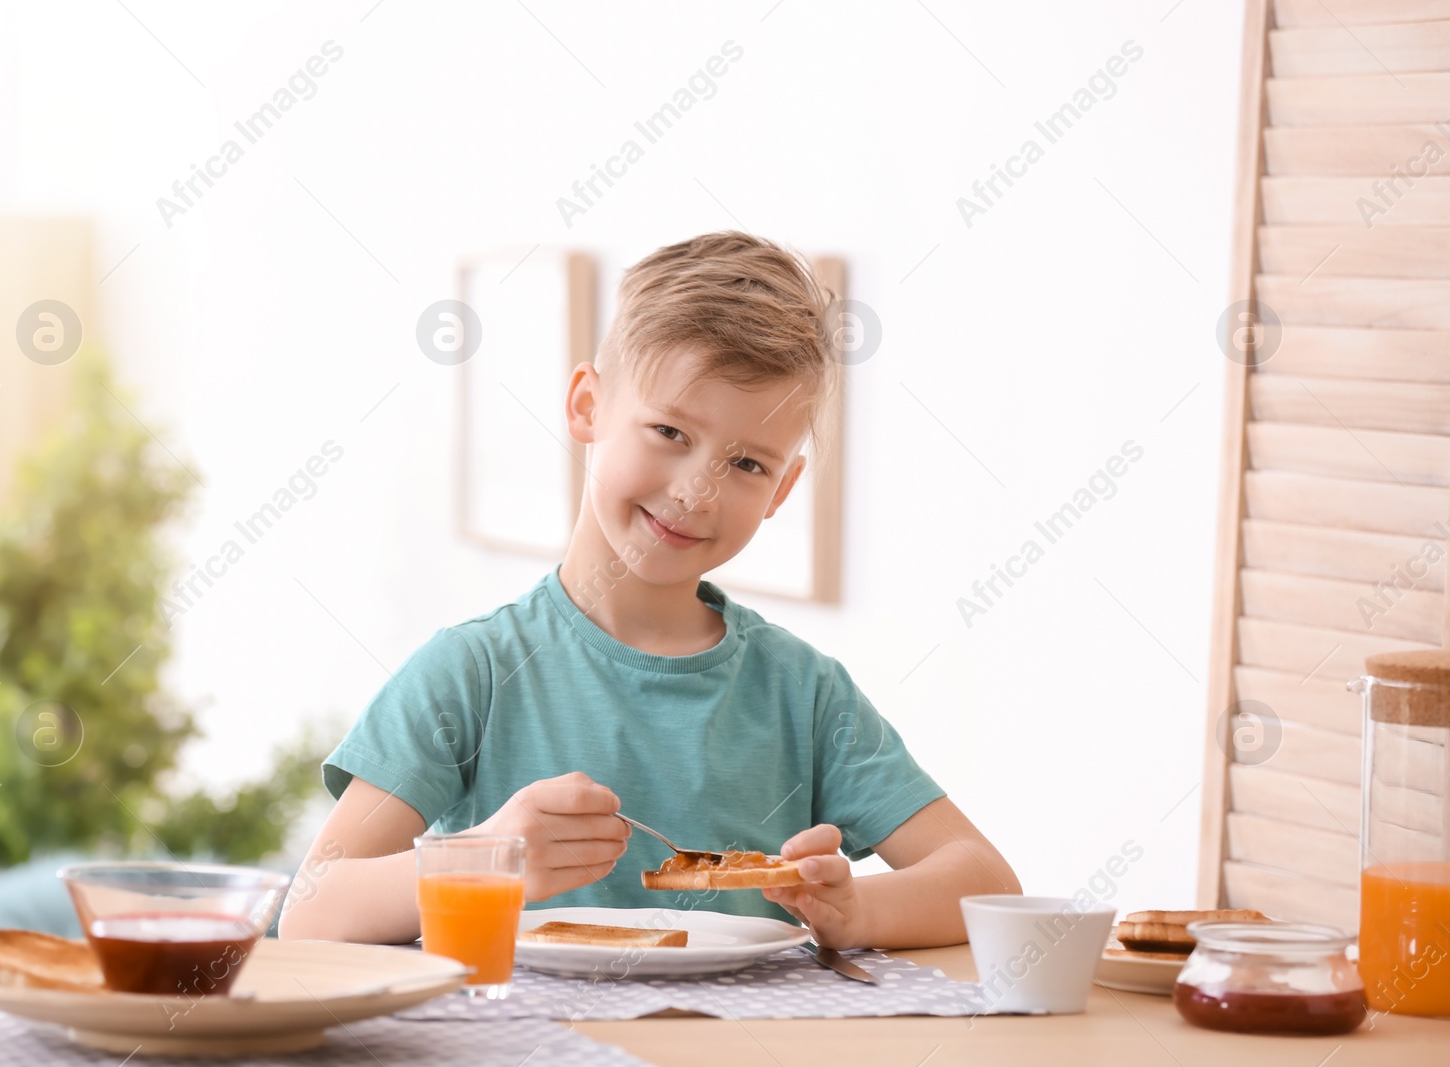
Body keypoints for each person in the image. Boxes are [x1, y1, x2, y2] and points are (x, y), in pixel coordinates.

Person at [279, 232, 1020, 950]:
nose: (697, 491)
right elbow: (310, 912)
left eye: (749, 465)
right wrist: (489, 856)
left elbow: (984, 881)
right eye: (669, 430)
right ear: (587, 405)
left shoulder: (805, 694)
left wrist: (856, 910)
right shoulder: (471, 673)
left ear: (784, 489)